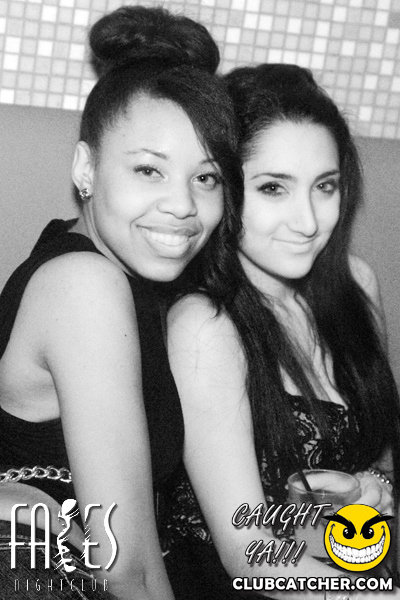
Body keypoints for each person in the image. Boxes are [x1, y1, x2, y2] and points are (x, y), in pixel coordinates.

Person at [0, 6, 242, 599]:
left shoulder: (112, 272)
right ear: (86, 167)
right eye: (149, 170)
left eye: (206, 178)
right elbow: (123, 566)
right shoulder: (85, 285)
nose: (183, 206)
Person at [164, 64, 400, 599]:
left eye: (325, 187)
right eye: (273, 188)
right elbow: (249, 554)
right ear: (223, 189)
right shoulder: (205, 327)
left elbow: (379, 462)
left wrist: (371, 490)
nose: (309, 221)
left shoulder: (357, 285)